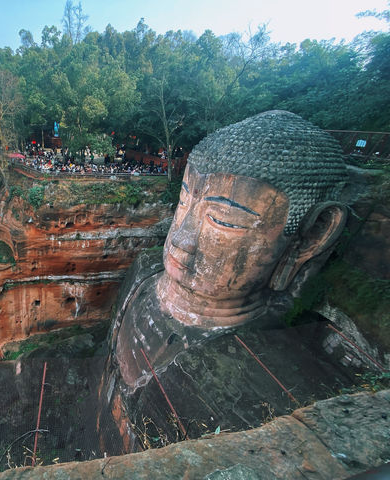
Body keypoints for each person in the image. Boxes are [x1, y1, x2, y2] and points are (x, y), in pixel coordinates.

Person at [108, 110, 349, 392]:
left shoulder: (260, 377)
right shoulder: (145, 274)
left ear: (312, 237)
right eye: (183, 203)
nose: (181, 239)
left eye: (222, 220)